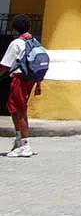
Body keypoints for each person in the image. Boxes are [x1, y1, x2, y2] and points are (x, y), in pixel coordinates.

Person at [0, 15, 43, 158]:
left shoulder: (16, 43)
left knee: (19, 110)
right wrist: (38, 83)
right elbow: (38, 64)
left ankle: (25, 145)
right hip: (30, 80)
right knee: (13, 107)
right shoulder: (34, 41)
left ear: (14, 28)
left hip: (19, 79)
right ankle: (19, 141)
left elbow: (5, 65)